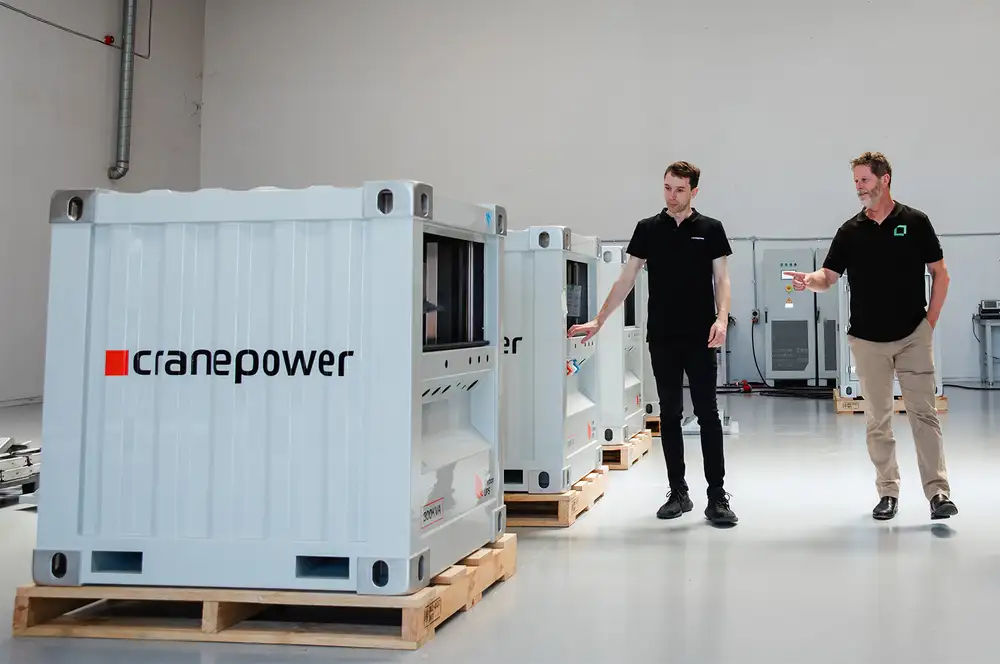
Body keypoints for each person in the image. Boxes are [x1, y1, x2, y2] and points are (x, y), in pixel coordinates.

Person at [786, 151, 957, 521]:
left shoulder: (915, 222)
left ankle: (938, 493)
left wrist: (930, 322)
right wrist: (808, 281)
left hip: (913, 335)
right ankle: (888, 492)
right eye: (856, 182)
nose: (859, 189)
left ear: (885, 179)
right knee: (877, 419)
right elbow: (828, 277)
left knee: (924, 416)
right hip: (867, 341)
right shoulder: (850, 231)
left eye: (864, 181)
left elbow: (940, 274)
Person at [568, 161, 737, 525]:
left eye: (679, 189)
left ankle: (716, 497)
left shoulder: (710, 229)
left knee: (708, 414)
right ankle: (678, 492)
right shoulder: (648, 229)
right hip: (662, 336)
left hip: (701, 337)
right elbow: (626, 278)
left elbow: (721, 279)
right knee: (670, 415)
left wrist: (721, 318)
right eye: (667, 187)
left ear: (694, 190)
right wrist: (599, 319)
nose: (671, 195)